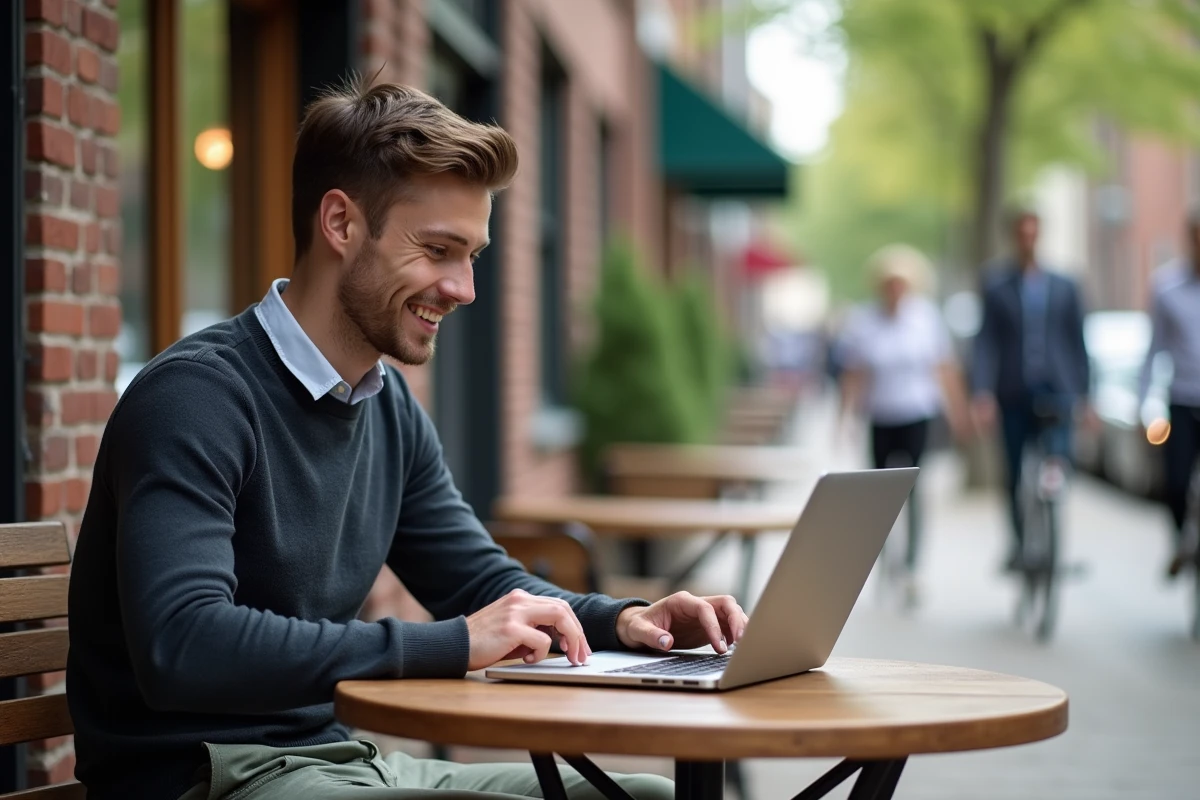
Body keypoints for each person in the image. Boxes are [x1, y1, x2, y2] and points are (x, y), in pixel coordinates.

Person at [65, 81, 747, 800]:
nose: (463, 288)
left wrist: (627, 622)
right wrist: (452, 645)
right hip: (201, 776)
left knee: (646, 797)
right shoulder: (196, 398)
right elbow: (184, 643)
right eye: (438, 250)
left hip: (340, 763)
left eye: (473, 255)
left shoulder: (386, 408)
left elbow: (478, 581)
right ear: (341, 223)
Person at [837, 244, 969, 578]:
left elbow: (944, 366)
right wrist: (845, 418)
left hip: (916, 413)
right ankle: (882, 560)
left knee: (914, 490)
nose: (894, 290)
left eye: (900, 284)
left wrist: (957, 411)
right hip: (881, 415)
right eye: (889, 284)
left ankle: (911, 563)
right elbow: (854, 373)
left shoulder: (925, 318)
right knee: (879, 494)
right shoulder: (865, 321)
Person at [970, 210, 1091, 570]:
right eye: (1020, 234)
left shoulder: (1065, 285)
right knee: (1013, 472)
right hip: (1012, 392)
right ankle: (1021, 543)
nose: (1027, 240)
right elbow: (985, 341)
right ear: (1013, 238)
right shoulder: (995, 284)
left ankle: (1051, 513)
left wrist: (1086, 395)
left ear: (1040, 236)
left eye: (1032, 234)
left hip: (1057, 391)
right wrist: (981, 392)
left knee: (1059, 456)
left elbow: (1077, 342)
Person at [1137, 214, 1200, 579]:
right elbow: (1153, 349)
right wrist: (1143, 403)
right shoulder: (1166, 288)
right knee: (1175, 481)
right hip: (1182, 398)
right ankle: (1181, 542)